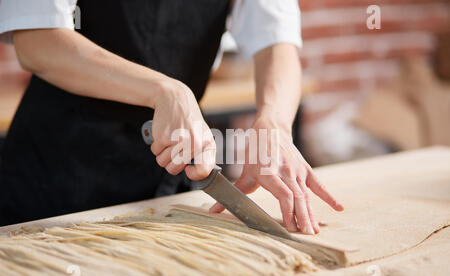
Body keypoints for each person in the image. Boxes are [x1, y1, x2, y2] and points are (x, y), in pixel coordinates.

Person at [0, 0, 343, 232]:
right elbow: (37, 40)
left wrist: (275, 123)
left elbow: (277, 40)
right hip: (54, 178)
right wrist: (167, 91)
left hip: (170, 173)